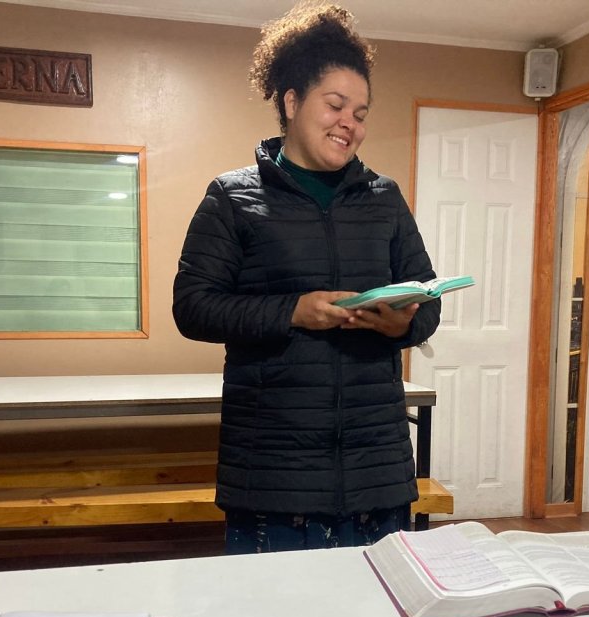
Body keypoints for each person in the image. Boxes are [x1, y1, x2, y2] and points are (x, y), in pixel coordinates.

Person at [173, 3, 440, 554]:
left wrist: (402, 325)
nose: (350, 123)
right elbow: (193, 306)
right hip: (274, 478)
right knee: (273, 611)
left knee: (379, 608)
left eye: (361, 113)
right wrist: (294, 310)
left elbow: (427, 296)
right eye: (335, 105)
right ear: (292, 102)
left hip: (376, 472)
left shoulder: (384, 198)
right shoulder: (233, 197)